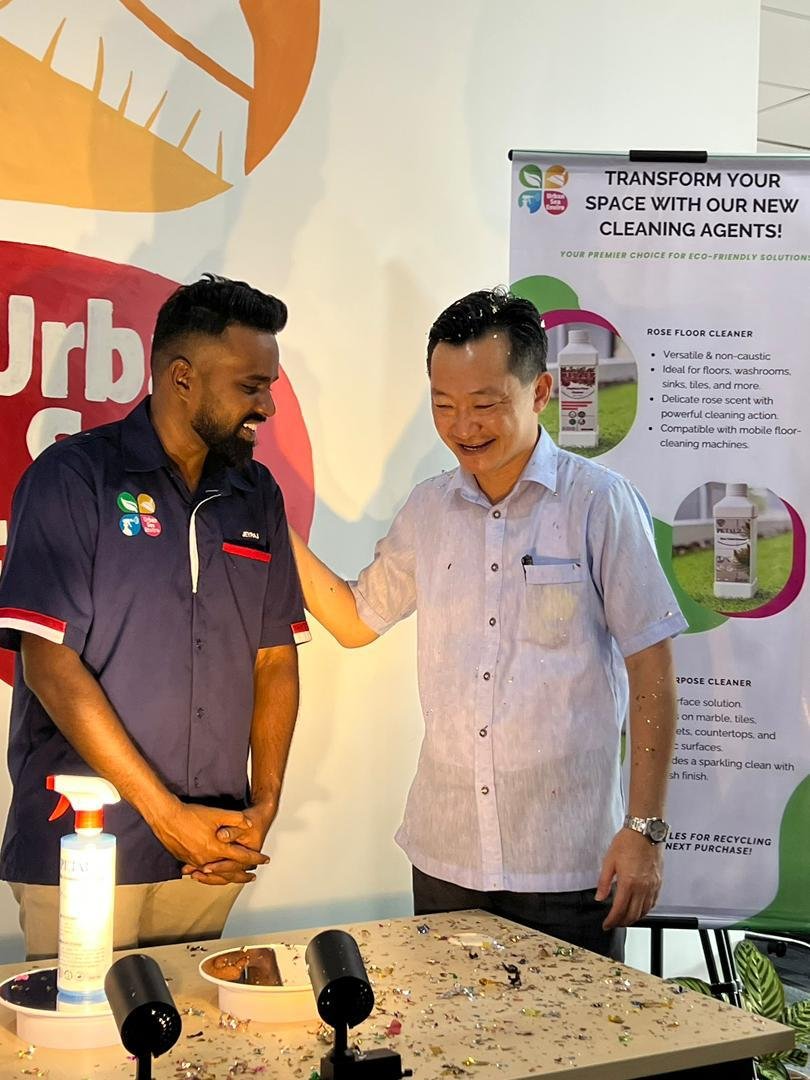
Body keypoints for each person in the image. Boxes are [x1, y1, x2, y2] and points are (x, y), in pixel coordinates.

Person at [288, 288, 686, 960]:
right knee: (447, 1029)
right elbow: (356, 620)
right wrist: (275, 521)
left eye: (484, 403)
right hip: (446, 857)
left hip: (568, 867)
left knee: (574, 1030)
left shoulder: (599, 504)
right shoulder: (429, 511)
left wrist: (644, 829)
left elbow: (653, 669)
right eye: (443, 405)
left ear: (541, 393)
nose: (463, 426)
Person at [0, 275, 310, 958]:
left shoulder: (256, 494)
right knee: (83, 1027)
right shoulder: (73, 477)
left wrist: (264, 806)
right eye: (250, 387)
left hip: (213, 847)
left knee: (189, 1025)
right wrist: (166, 816)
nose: (266, 406)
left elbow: (274, 658)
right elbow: (49, 662)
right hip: (85, 839)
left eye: (269, 386)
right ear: (182, 378)